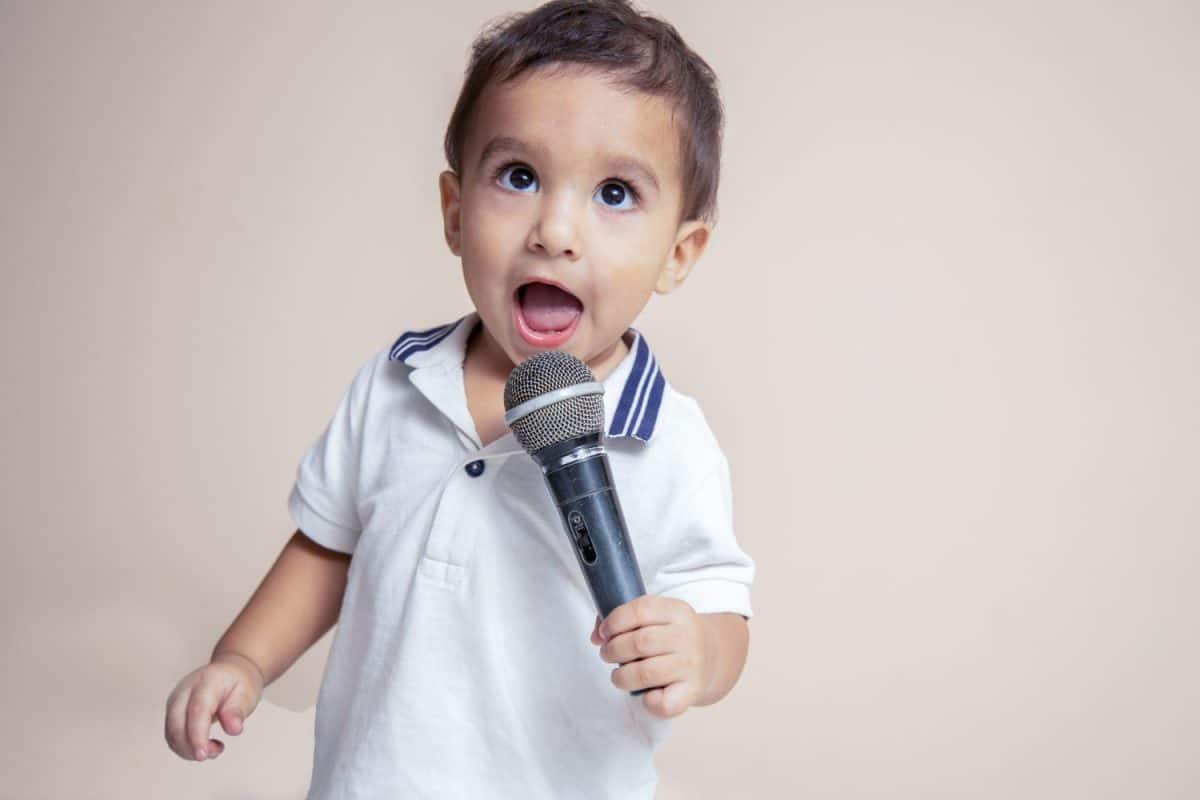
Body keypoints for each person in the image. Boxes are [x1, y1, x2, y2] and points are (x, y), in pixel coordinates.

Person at [164, 1, 755, 796]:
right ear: (453, 211)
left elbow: (722, 611)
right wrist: (243, 659)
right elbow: (325, 549)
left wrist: (699, 650)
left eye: (615, 193)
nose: (555, 230)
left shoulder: (670, 441)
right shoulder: (395, 385)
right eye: (520, 177)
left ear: (677, 254)